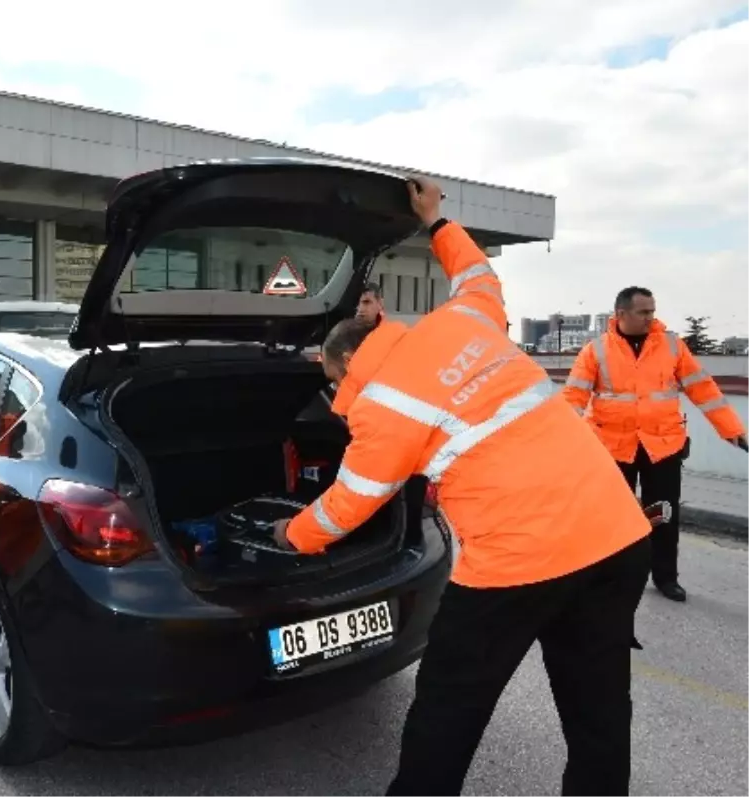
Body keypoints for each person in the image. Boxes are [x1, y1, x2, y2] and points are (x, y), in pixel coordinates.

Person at [272, 177, 653, 797]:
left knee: (449, 708)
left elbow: (347, 504)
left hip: (517, 565)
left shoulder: (381, 406)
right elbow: (479, 276)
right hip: (615, 535)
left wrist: (288, 537)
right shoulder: (462, 322)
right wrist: (437, 222)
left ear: (338, 366)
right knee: (599, 708)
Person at [562, 287, 747, 603]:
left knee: (664, 515)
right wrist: (558, 441)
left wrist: (733, 430)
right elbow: (573, 398)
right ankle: (609, 577)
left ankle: (665, 578)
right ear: (621, 315)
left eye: (652, 310)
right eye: (643, 312)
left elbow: (703, 389)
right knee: (612, 517)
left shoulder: (672, 346)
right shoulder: (596, 350)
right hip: (613, 447)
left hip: (662, 446)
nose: (651, 317)